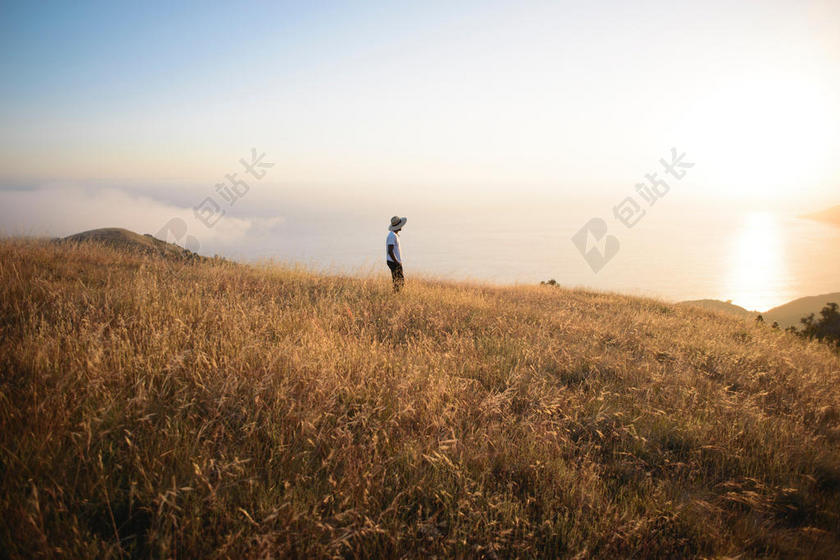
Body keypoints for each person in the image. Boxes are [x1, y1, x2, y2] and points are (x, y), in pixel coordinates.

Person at [386, 215, 406, 292]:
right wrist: (397, 262)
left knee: (398, 281)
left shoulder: (394, 235)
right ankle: (396, 295)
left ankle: (396, 295)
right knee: (399, 281)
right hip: (393, 261)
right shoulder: (392, 236)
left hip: (393, 261)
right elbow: (390, 251)